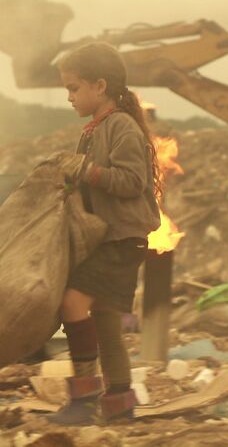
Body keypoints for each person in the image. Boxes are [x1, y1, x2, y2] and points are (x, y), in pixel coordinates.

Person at [46, 42, 162, 425]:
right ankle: (119, 403)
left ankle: (83, 400)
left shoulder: (121, 127)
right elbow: (89, 181)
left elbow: (131, 181)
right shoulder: (93, 130)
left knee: (72, 304)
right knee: (106, 320)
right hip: (108, 237)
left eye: (74, 88)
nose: (69, 96)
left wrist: (86, 172)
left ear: (100, 86)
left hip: (121, 238)